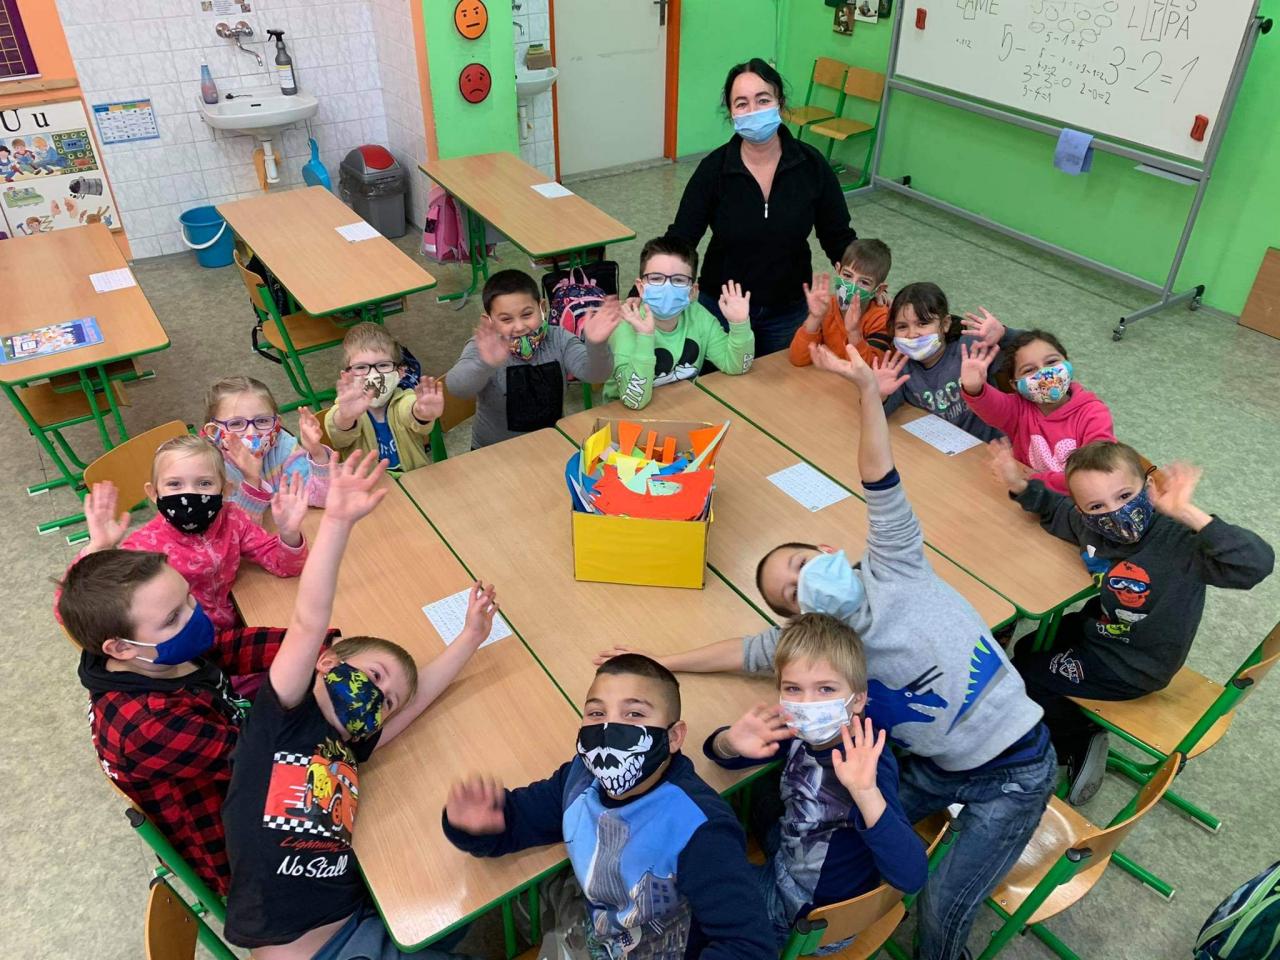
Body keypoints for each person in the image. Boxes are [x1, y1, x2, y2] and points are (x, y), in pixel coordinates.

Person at [598, 343, 1056, 960]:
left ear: (823, 549)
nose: (802, 583)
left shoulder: (895, 565)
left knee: (943, 905)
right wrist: (660, 663)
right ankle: (807, 898)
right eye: (790, 596)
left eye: (798, 565)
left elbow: (879, 477)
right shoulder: (829, 651)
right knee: (844, 825)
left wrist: (869, 394)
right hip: (937, 766)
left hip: (1018, 767)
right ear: (800, 619)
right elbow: (745, 651)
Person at [221, 451, 500, 958]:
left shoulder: (349, 742)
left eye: (385, 700)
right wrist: (337, 523)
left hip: (360, 914)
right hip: (319, 948)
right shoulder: (283, 714)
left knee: (466, 905)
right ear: (325, 662)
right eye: (372, 676)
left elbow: (417, 698)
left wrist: (470, 638)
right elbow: (309, 619)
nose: (375, 697)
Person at [990, 439, 1273, 804]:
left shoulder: (1181, 542)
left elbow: (1256, 564)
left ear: (1149, 487)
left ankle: (1079, 738)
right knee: (1031, 644)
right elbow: (1056, 510)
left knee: (1025, 676)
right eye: (1096, 505)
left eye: (1125, 496)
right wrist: (1020, 485)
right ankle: (1069, 712)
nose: (1114, 512)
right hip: (1102, 632)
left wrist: (1188, 513)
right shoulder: (1090, 526)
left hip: (1133, 665)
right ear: (1083, 509)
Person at [443, 653, 775, 959]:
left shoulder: (699, 829)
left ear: (674, 737)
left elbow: (749, 947)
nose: (608, 731)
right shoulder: (580, 777)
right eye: (597, 713)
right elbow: (518, 820)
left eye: (634, 714)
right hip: (602, 931)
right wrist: (476, 825)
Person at [58, 549, 305, 896]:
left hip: (239, 761)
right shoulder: (148, 725)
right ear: (121, 648)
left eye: (189, 596)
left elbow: (222, 648)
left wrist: (313, 646)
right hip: (236, 849)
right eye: (174, 617)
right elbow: (265, 761)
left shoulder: (149, 655)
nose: (194, 616)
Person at [704, 613, 926, 952]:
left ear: (858, 699)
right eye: (793, 689)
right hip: (795, 850)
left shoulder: (867, 765)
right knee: (749, 798)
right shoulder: (802, 730)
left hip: (806, 914)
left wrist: (865, 793)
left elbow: (911, 876)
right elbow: (729, 755)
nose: (808, 704)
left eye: (826, 689)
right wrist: (729, 743)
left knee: (698, 875)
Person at [666, 58, 856, 357]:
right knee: (719, 381)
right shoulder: (714, 169)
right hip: (722, 308)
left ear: (780, 103)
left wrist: (866, 281)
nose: (753, 110)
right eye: (741, 103)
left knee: (781, 381)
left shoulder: (811, 165)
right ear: (731, 113)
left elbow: (838, 236)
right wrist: (648, 288)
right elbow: (682, 237)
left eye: (763, 100)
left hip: (788, 309)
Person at [73, 435, 308, 631]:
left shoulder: (232, 519)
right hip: (187, 645)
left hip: (236, 619)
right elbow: (78, 611)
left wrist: (289, 534)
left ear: (225, 490)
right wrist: (97, 549)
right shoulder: (143, 548)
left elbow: (285, 565)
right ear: (154, 493)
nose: (190, 495)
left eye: (204, 484)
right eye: (174, 484)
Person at [446, 269, 619, 448]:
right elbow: (456, 388)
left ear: (542, 308)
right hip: (494, 450)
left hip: (550, 443)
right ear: (489, 321)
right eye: (506, 320)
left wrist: (596, 345)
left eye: (527, 315)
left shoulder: (559, 338)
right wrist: (485, 363)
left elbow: (596, 375)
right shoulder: (484, 346)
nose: (519, 326)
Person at [604, 235, 755, 409]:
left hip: (682, 405)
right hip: (624, 414)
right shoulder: (626, 326)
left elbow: (736, 366)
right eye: (656, 278)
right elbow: (634, 402)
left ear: (692, 292)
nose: (667, 287)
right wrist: (645, 337)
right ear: (640, 287)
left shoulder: (699, 317)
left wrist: (739, 324)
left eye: (678, 280)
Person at [960, 330, 1114, 494]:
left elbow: (1095, 472)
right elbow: (990, 405)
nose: (1044, 373)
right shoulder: (1019, 409)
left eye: (1052, 361)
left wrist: (1032, 481)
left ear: (1067, 362)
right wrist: (973, 387)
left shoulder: (1093, 413)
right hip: (1028, 496)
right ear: (1015, 384)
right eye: (1029, 370)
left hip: (1078, 501)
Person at [873, 282, 1019, 442]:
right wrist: (878, 394)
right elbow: (879, 415)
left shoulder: (970, 347)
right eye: (902, 327)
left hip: (992, 447)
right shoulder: (901, 368)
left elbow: (1035, 352)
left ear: (945, 324)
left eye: (922, 323)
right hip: (942, 450)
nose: (912, 334)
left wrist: (1004, 334)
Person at [201, 376, 333, 524]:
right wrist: (251, 479)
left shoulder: (283, 445)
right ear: (214, 431)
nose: (252, 433)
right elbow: (237, 530)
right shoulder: (209, 468)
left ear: (277, 425)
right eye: (236, 423)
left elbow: (325, 498)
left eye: (262, 421)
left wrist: (317, 454)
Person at [323, 322, 444, 472]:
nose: (374, 374)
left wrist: (421, 413)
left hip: (413, 479)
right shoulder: (344, 408)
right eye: (361, 367)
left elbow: (409, 410)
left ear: (400, 372)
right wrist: (346, 418)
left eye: (383, 365)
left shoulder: (404, 398)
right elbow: (338, 434)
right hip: (368, 484)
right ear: (346, 375)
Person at [789, 238, 894, 367]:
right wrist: (814, 318)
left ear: (879, 290)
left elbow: (868, 371)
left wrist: (853, 332)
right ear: (838, 270)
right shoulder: (827, 306)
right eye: (847, 275)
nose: (851, 286)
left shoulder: (881, 320)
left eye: (864, 282)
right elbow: (797, 358)